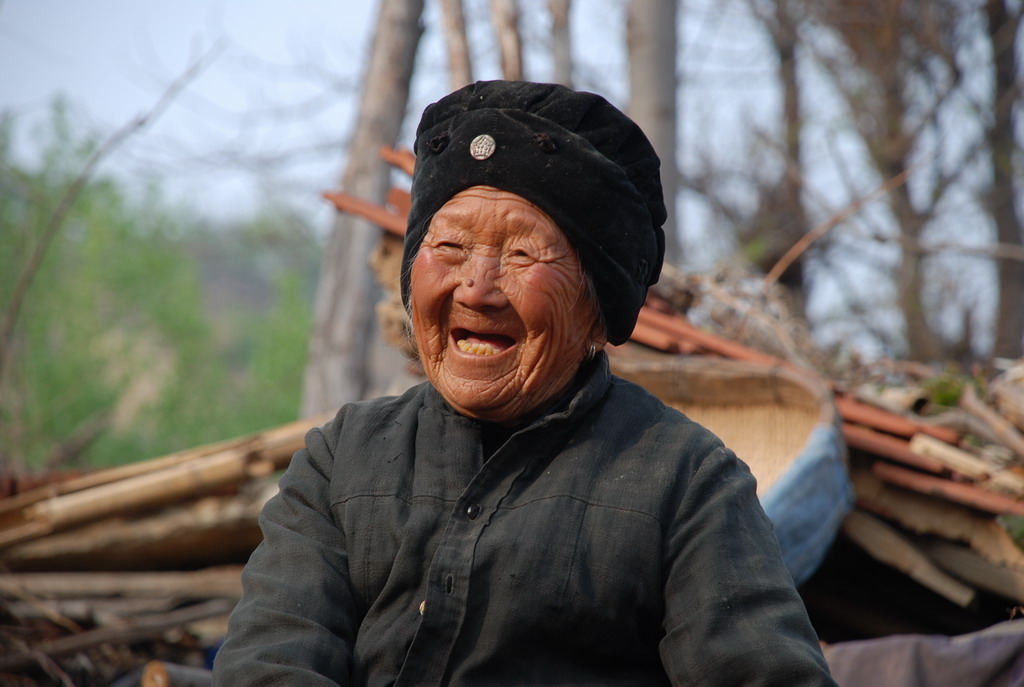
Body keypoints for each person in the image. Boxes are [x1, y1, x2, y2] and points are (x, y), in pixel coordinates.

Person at [212, 80, 837, 686]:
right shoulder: (342, 462)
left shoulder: (684, 482)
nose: (477, 289)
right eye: (451, 246)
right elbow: (270, 663)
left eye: (521, 256)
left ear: (596, 305)